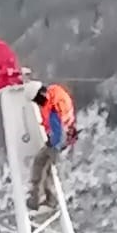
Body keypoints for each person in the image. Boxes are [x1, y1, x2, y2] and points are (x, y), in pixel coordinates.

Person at [28, 82, 77, 212]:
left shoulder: (53, 107)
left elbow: (58, 131)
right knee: (43, 165)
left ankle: (44, 199)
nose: (38, 104)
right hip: (65, 136)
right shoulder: (54, 94)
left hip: (59, 141)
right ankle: (45, 198)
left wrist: (52, 145)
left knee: (44, 168)